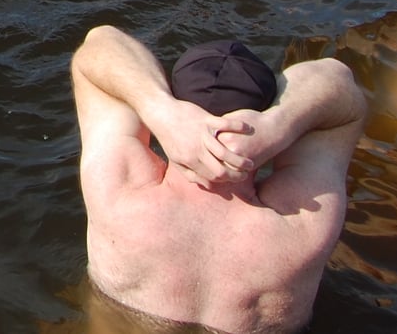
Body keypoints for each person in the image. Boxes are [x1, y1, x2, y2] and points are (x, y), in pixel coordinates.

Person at [71, 25, 366, 334]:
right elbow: (338, 83)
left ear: (177, 97)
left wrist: (161, 109)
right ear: (263, 109)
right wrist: (277, 124)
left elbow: (100, 42)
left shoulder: (118, 191)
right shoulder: (302, 222)